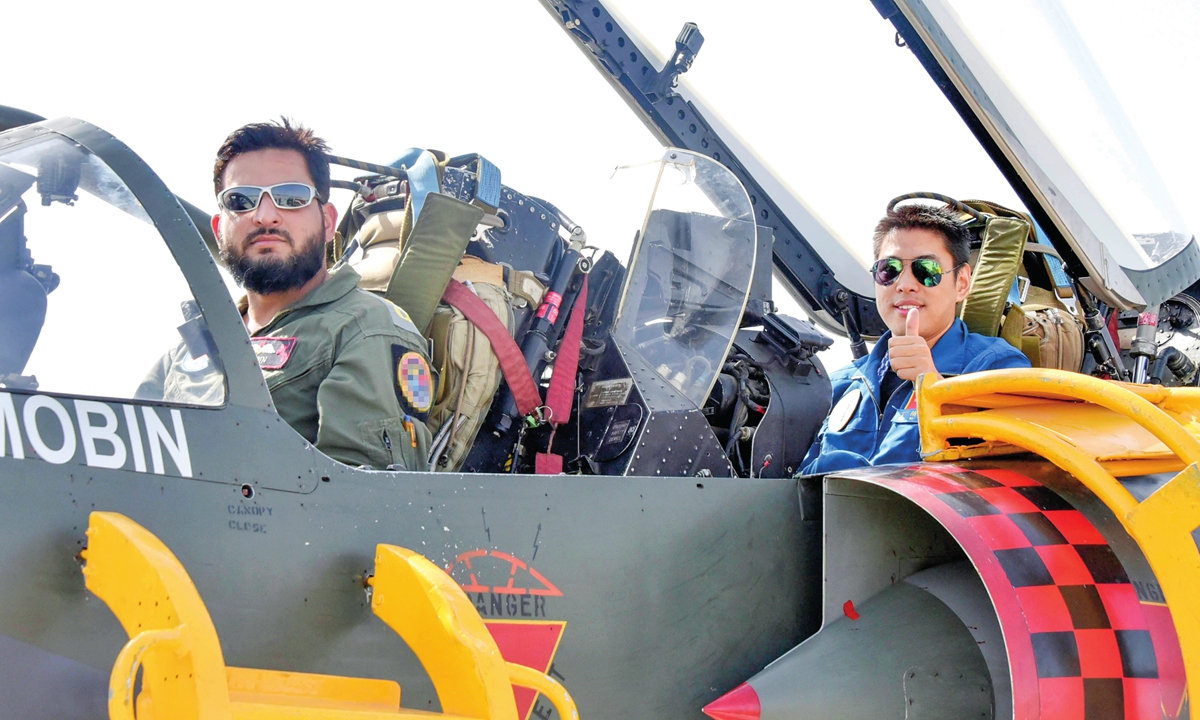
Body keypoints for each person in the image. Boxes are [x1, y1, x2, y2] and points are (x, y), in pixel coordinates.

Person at [138, 119, 432, 470]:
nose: (265, 216)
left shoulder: (366, 330)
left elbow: (364, 507)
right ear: (219, 230)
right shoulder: (189, 352)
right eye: (241, 200)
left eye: (290, 198)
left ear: (326, 221)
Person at [800, 203, 1030, 474]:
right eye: (890, 269)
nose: (905, 283)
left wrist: (936, 391)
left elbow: (1015, 466)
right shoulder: (838, 386)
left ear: (962, 282)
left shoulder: (997, 366)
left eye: (926, 270)